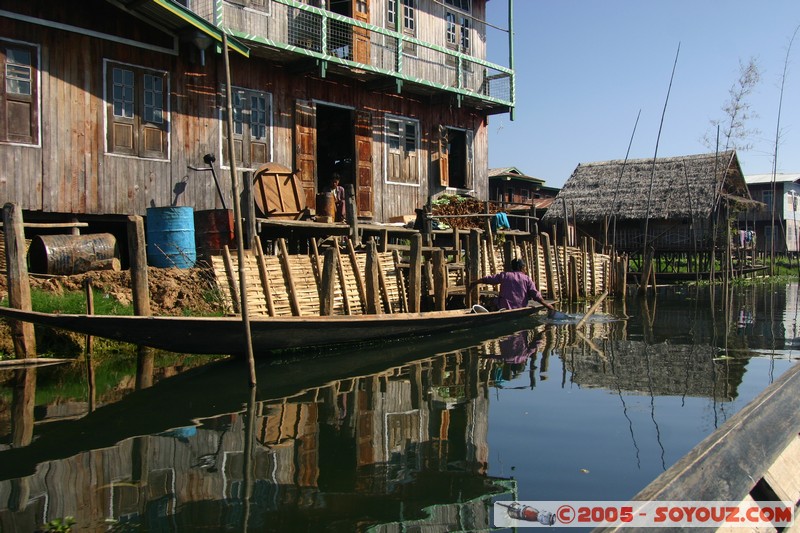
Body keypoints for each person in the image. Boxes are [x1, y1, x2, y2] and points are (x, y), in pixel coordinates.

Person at [469, 258, 555, 314]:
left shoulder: (505, 275)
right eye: (524, 268)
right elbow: (535, 294)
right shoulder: (526, 279)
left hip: (503, 308)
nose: (525, 269)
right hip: (519, 307)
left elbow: (489, 279)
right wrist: (546, 304)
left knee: (491, 300)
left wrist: (475, 283)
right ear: (521, 268)